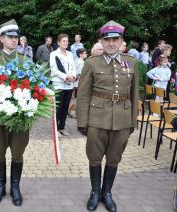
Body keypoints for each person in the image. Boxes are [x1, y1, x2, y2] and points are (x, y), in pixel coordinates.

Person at [77, 20, 139, 212]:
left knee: (114, 159)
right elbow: (83, 94)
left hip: (122, 119)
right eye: (107, 40)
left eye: (115, 39)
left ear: (121, 41)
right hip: (96, 119)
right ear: (101, 42)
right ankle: (95, 192)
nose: (111, 43)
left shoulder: (132, 62)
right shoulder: (91, 63)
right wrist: (82, 121)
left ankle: (107, 193)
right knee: (95, 158)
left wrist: (132, 121)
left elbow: (135, 93)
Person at [0, 19, 30, 207]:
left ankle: (15, 187)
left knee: (18, 153)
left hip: (19, 119)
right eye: (10, 37)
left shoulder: (25, 61)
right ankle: (0, 186)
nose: (14, 40)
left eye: (16, 37)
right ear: (1, 39)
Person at [50, 33, 76, 136]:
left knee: (66, 106)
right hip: (59, 84)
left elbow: (73, 67)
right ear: (58, 42)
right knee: (58, 107)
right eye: (63, 41)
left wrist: (73, 76)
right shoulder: (54, 54)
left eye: (67, 41)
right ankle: (56, 129)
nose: (65, 43)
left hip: (69, 84)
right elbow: (54, 69)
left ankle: (62, 127)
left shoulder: (69, 54)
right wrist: (65, 77)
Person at [68, 48, 87, 118]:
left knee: (74, 98)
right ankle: (75, 113)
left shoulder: (76, 60)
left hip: (74, 83)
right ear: (80, 54)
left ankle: (69, 111)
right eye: (85, 53)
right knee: (77, 98)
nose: (86, 54)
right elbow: (79, 73)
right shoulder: (81, 62)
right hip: (78, 83)